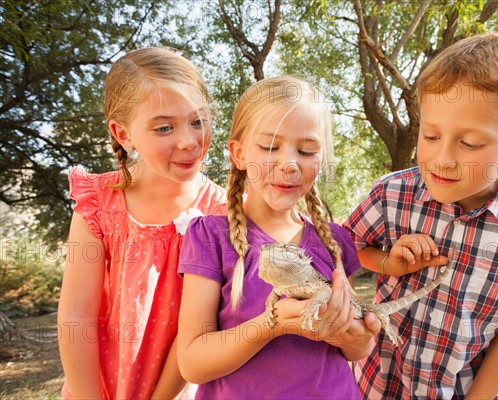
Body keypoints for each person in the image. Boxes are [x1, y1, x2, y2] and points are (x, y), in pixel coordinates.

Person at [345, 32, 498, 399]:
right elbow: (346, 250)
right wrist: (388, 263)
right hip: (378, 384)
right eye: (430, 135)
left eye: (469, 144)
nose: (442, 159)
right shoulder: (391, 193)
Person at [177, 76, 381, 399]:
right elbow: (191, 361)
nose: (289, 165)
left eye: (306, 150)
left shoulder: (339, 242)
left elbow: (361, 347)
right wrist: (272, 325)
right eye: (270, 147)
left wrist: (348, 331)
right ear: (239, 153)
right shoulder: (210, 238)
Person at [57, 47, 227, 399]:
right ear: (123, 134)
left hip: (178, 387)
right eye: (164, 127)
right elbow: (76, 314)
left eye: (197, 121)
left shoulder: (221, 213)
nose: (189, 141)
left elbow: (197, 327)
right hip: (98, 385)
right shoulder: (98, 202)